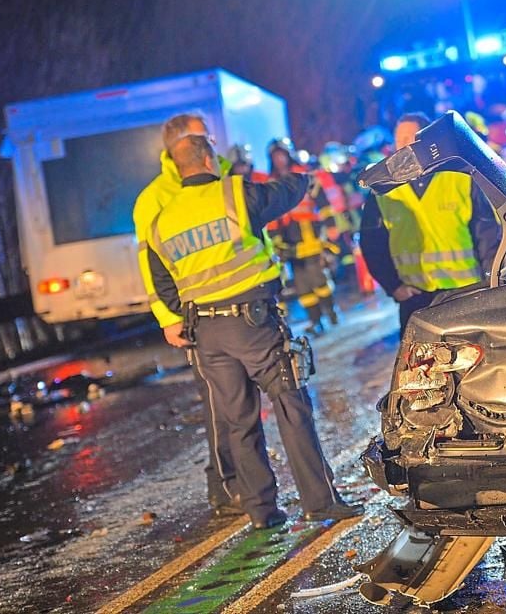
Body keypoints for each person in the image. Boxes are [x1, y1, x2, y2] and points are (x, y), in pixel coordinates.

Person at [144, 127, 362, 529]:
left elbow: (162, 285)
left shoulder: (161, 220)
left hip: (206, 334)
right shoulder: (232, 194)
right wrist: (303, 174)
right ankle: (319, 500)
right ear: (209, 160)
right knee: (291, 405)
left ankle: (262, 512)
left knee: (238, 422)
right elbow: (284, 193)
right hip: (254, 324)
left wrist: (193, 309)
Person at [131, 113, 241, 517]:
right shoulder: (156, 197)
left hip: (236, 307)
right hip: (195, 312)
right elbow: (150, 264)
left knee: (240, 404)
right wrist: (167, 316)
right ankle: (224, 486)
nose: (210, 141)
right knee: (217, 404)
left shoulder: (225, 178)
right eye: (202, 136)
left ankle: (247, 482)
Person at [359, 112, 501, 333]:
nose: (402, 144)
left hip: (464, 293)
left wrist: (491, 283)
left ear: (426, 139)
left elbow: (487, 235)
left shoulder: (460, 178)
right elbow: (372, 243)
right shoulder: (382, 191)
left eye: (409, 137)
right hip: (415, 298)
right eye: (399, 138)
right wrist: (393, 287)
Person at [266, 139, 339, 335]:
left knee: (318, 278)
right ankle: (315, 320)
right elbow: (272, 216)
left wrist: (331, 225)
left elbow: (322, 201)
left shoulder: (304, 176)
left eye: (281, 155)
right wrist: (275, 241)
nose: (279, 160)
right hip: (289, 239)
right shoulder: (272, 183)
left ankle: (331, 311)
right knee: (302, 285)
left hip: (309, 233)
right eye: (275, 157)